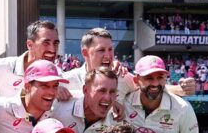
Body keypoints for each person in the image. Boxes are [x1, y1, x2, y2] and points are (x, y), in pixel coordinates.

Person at [63, 27, 195, 100]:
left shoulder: (122, 77)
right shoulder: (66, 81)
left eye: (110, 49)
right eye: (101, 50)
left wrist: (180, 89)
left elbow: (149, 86)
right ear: (85, 53)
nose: (108, 55)